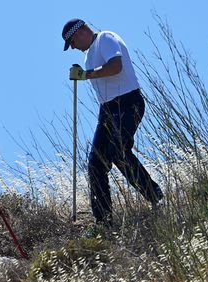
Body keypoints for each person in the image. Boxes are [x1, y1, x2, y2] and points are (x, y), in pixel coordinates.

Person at [63, 18, 164, 226]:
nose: (73, 47)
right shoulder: (88, 57)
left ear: (81, 31)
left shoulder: (106, 38)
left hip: (128, 102)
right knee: (96, 163)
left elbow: (115, 66)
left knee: (118, 151)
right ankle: (104, 221)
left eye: (72, 41)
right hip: (108, 110)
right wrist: (85, 74)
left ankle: (155, 196)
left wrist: (86, 75)